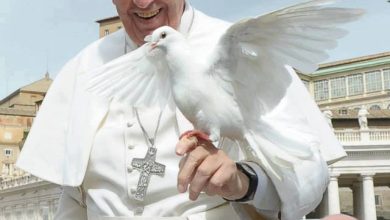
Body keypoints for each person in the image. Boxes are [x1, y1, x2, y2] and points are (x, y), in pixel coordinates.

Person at [16, 0, 346, 219]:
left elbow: (307, 180)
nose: (143, 3)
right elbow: (74, 199)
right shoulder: (84, 68)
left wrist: (241, 181)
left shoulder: (239, 47)